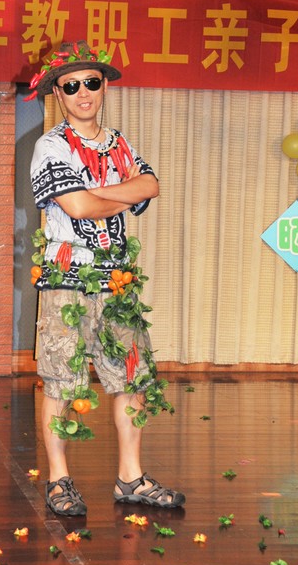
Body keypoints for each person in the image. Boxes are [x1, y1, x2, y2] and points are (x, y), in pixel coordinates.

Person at [28, 40, 185, 516]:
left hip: (117, 278)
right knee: (60, 379)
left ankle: (130, 477)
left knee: (130, 376)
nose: (83, 92)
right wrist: (119, 192)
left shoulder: (120, 143)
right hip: (67, 277)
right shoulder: (50, 146)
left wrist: (97, 192)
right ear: (58, 93)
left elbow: (151, 185)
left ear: (104, 87)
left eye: (91, 82)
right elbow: (78, 207)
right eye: (71, 85)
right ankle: (58, 480)